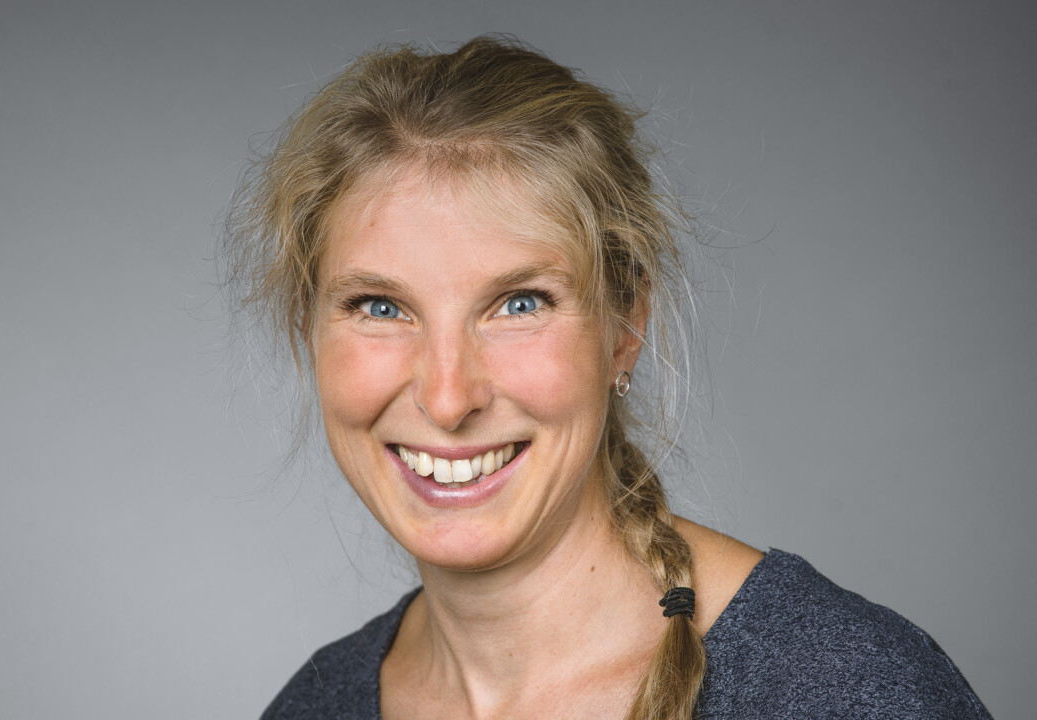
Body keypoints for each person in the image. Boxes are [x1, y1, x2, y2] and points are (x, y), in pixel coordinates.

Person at [227, 35, 991, 720]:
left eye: (519, 303)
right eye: (380, 307)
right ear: (307, 329)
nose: (448, 397)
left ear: (625, 327)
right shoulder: (315, 705)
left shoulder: (844, 691)